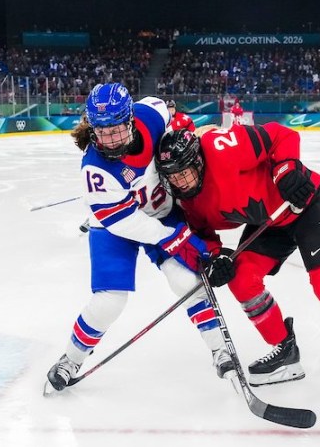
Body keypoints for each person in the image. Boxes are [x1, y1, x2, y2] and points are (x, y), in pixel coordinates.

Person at [154, 124, 320, 399]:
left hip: (306, 203)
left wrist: (286, 170)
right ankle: (285, 351)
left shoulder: (220, 146)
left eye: (184, 173)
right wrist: (215, 257)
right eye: (172, 177)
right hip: (270, 222)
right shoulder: (188, 202)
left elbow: (281, 135)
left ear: (197, 161)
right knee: (241, 278)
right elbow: (202, 235)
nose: (180, 182)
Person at [45, 83, 230, 393]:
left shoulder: (151, 114)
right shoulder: (95, 170)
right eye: (102, 132)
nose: (111, 139)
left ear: (130, 120)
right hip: (116, 226)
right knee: (109, 302)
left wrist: (183, 132)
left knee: (188, 283)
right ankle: (71, 358)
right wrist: (171, 237)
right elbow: (125, 222)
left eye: (117, 129)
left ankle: (220, 350)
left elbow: (170, 118)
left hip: (159, 211)